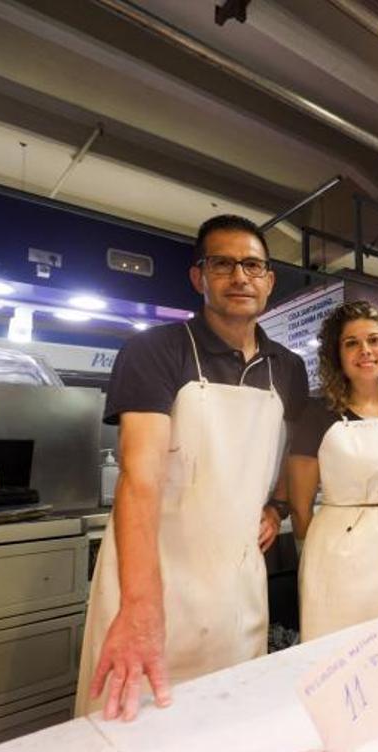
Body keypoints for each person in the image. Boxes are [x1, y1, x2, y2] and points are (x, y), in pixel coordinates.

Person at [76, 215, 309, 720]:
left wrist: (278, 506)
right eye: (222, 263)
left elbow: (290, 456)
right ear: (199, 277)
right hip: (155, 573)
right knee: (134, 730)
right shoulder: (154, 350)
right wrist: (139, 607)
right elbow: (139, 477)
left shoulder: (288, 368)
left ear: (269, 280)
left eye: (252, 265)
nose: (239, 276)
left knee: (227, 723)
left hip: (237, 580)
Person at [288, 301, 378, 640]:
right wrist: (319, 553)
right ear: (337, 355)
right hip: (339, 555)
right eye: (351, 343)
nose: (365, 350)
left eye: (374, 340)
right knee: (340, 652)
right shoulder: (317, 412)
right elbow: (299, 503)